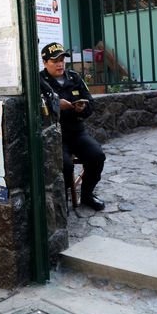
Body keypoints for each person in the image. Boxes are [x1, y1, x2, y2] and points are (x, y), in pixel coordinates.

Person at [39, 42, 106, 211]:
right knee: (65, 166)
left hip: (76, 131)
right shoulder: (39, 81)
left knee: (97, 156)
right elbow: (36, 109)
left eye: (62, 59)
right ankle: (64, 196)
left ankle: (87, 194)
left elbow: (90, 103)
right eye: (55, 61)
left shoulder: (74, 77)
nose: (60, 64)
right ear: (45, 62)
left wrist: (82, 108)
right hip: (54, 134)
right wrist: (55, 105)